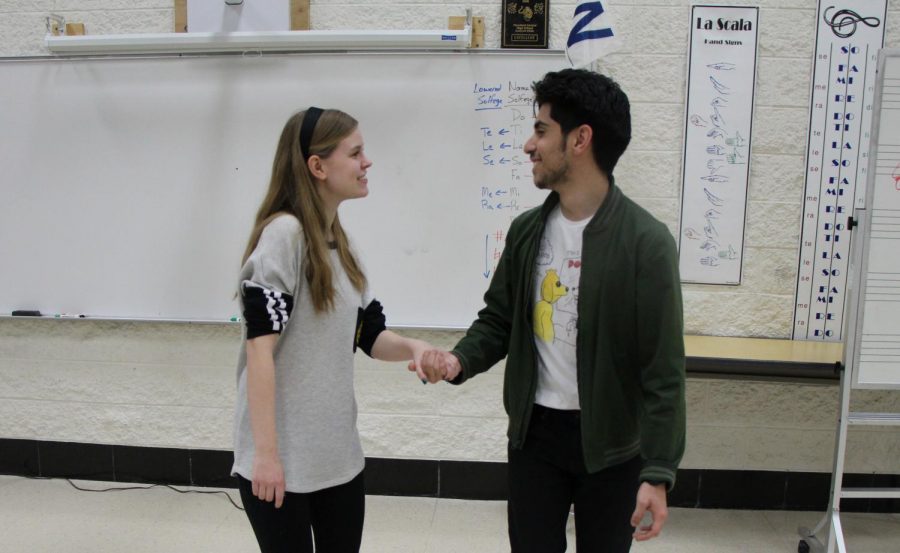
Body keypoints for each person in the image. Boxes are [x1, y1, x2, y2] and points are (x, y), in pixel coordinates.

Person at [415, 69, 686, 553]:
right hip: (534, 439)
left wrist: (659, 472)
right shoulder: (526, 232)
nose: (529, 145)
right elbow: (498, 321)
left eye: (541, 130)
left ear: (581, 139)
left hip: (612, 449)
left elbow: (662, 371)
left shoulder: (647, 244)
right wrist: (458, 361)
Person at [232, 107, 434, 553]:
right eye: (356, 152)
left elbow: (369, 336)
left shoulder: (343, 245)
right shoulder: (284, 236)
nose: (368, 163)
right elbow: (260, 352)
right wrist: (266, 457)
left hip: (338, 460)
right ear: (317, 166)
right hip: (280, 462)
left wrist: (413, 346)